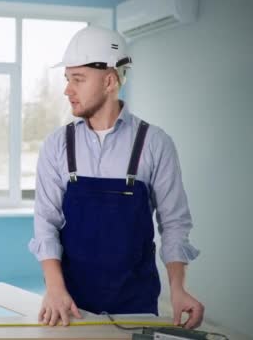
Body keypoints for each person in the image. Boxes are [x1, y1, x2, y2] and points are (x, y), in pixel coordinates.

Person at [28, 26, 204, 329]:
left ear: (110, 81)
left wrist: (178, 288)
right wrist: (55, 288)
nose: (67, 90)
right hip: (71, 306)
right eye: (67, 79)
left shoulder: (155, 143)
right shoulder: (57, 145)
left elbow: (174, 222)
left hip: (136, 304)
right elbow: (46, 223)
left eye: (78, 79)